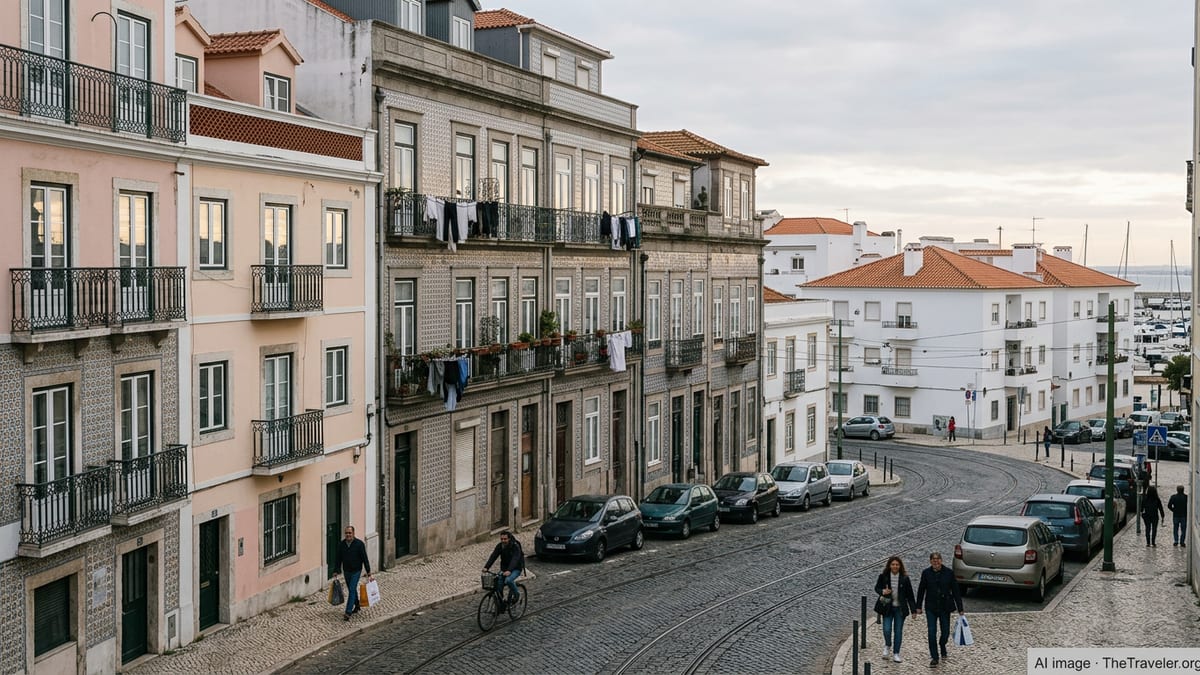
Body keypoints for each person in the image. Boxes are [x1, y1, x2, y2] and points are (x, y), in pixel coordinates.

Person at [916, 551, 963, 668]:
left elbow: (956, 591)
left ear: (941, 560)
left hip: (944, 607)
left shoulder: (949, 573)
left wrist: (960, 608)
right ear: (930, 561)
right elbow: (921, 590)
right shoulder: (926, 573)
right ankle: (934, 657)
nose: (935, 561)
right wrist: (918, 606)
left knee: (945, 632)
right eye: (933, 559)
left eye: (937, 559)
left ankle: (942, 645)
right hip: (931, 607)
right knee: (931, 632)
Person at [874, 556, 918, 664]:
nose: (895, 566)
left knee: (898, 631)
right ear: (889, 565)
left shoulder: (905, 579)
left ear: (900, 566)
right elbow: (877, 588)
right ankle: (887, 645)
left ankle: (896, 653)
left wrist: (913, 610)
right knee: (887, 629)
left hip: (900, 609)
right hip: (887, 608)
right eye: (893, 564)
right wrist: (883, 591)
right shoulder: (883, 577)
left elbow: (910, 595)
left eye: (897, 565)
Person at [333, 525, 372, 621]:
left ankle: (348, 611)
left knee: (351, 589)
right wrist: (336, 570)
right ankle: (357, 605)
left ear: (353, 533)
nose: (348, 535)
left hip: (356, 571)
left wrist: (368, 571)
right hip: (346, 571)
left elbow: (365, 558)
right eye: (346, 533)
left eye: (350, 533)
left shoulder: (359, 544)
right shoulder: (341, 545)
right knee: (352, 589)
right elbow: (338, 558)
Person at [483, 530, 525, 605]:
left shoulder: (515, 546)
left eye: (505, 539)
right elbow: (493, 556)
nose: (503, 541)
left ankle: (517, 594)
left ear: (509, 539)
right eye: (501, 539)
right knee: (498, 582)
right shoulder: (500, 546)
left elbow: (515, 559)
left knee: (508, 580)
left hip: (516, 568)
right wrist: (486, 567)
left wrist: (509, 570)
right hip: (504, 568)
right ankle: (501, 602)